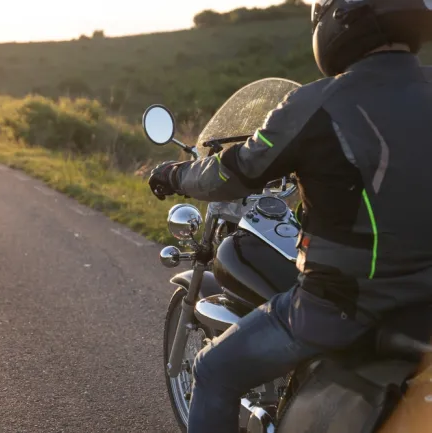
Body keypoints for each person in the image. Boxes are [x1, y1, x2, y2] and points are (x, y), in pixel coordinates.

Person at [148, 1, 432, 432]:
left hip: (340, 307)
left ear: (340, 18)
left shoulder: (318, 103)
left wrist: (173, 174)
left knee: (211, 370)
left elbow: (231, 172)